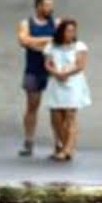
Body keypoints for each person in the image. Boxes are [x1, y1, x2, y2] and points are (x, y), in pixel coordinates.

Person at [42, 18, 90, 162]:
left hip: (73, 83)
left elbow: (80, 65)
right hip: (56, 82)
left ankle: (68, 149)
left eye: (73, 31)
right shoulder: (51, 46)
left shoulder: (79, 46)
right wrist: (56, 73)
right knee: (56, 116)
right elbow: (48, 63)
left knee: (70, 116)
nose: (71, 33)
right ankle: (61, 143)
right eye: (68, 30)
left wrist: (66, 74)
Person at [16, 0, 57, 157]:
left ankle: (59, 142)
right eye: (46, 5)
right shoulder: (26, 23)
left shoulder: (57, 23)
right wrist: (47, 40)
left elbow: (62, 40)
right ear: (38, 6)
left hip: (53, 69)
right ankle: (29, 140)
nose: (49, 8)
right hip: (33, 68)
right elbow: (23, 41)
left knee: (57, 108)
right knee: (32, 106)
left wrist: (35, 41)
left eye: (51, 5)